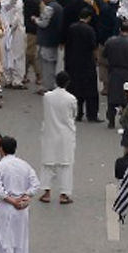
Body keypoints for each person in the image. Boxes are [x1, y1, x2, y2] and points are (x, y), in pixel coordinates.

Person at [0, 135, 40, 253]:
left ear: (1, 149)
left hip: (5, 207)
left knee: (5, 241)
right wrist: (24, 197)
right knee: (21, 239)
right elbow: (35, 184)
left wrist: (12, 201)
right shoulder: (24, 165)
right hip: (22, 208)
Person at [39, 71, 78, 204]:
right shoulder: (71, 98)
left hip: (49, 132)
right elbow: (74, 113)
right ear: (67, 83)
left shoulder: (47, 96)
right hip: (65, 135)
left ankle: (46, 193)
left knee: (48, 163)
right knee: (66, 164)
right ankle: (64, 194)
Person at [64, 6, 100, 122]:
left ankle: (77, 113)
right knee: (90, 90)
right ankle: (92, 114)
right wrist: (96, 59)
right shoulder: (89, 30)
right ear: (89, 18)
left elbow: (67, 44)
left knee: (75, 88)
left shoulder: (71, 27)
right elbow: (93, 47)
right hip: (87, 62)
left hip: (73, 62)